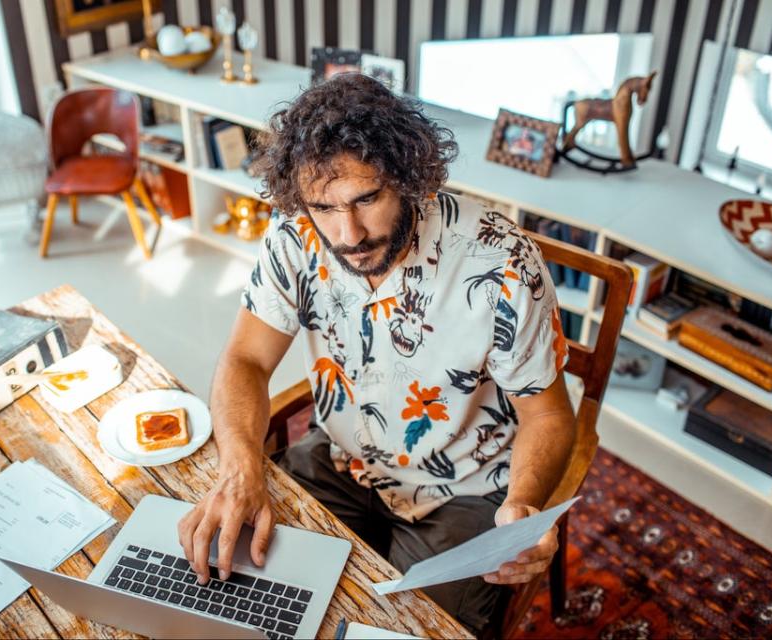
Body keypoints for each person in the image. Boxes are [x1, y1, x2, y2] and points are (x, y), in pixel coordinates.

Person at [177, 73, 576, 637]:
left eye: (367, 198)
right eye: (324, 207)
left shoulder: (501, 262)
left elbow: (549, 413)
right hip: (340, 458)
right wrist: (240, 467)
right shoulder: (295, 236)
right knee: (242, 594)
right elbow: (246, 358)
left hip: (462, 488)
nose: (349, 233)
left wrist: (525, 501)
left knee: (410, 630)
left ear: (407, 176)